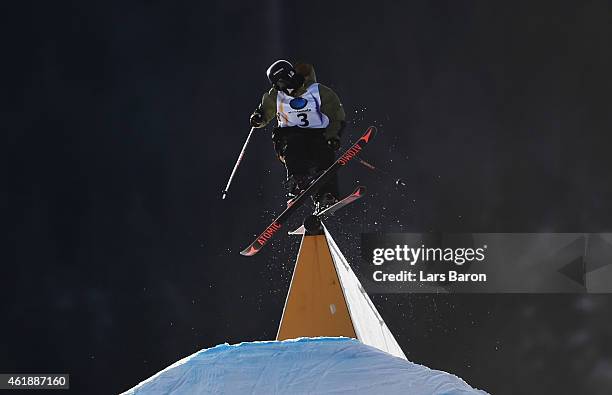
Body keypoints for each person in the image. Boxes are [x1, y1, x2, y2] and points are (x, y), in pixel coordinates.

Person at [249, 60, 346, 211]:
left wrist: (333, 136)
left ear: (289, 77)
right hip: (290, 136)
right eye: (276, 85)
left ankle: (326, 195)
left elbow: (336, 115)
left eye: (280, 83)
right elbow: (265, 110)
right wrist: (259, 117)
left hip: (318, 135)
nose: (279, 88)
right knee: (294, 144)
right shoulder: (276, 95)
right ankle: (297, 181)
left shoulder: (318, 91)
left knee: (324, 152)